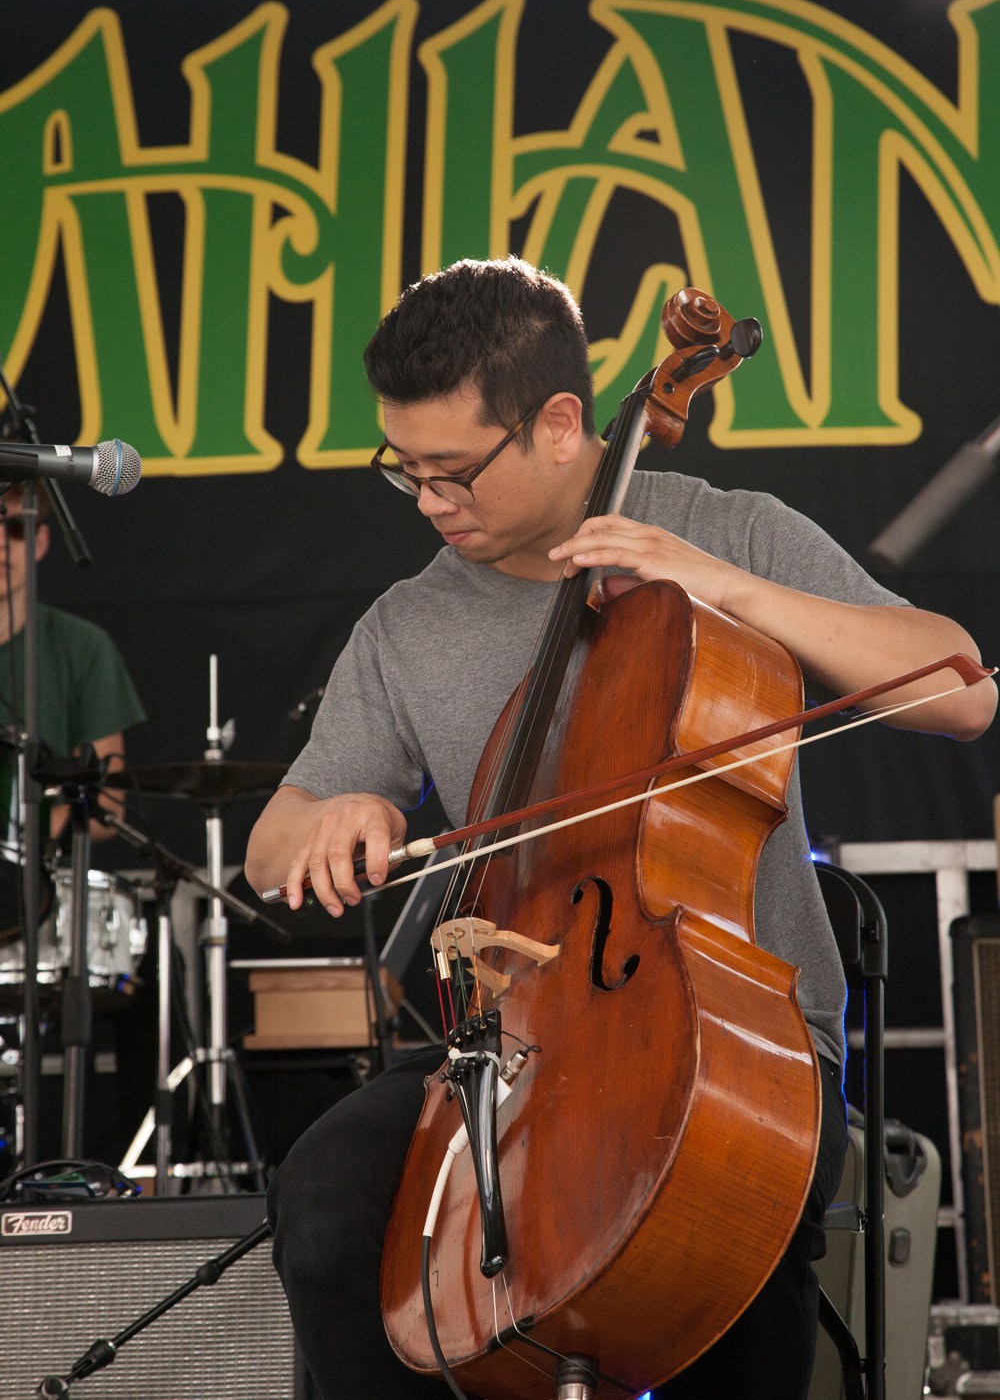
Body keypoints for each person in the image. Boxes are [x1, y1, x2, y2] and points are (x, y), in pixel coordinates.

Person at [246, 258, 996, 1400]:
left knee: (711, 1269)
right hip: (514, 1052)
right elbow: (272, 837)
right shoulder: (406, 626)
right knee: (328, 1201)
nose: (429, 501)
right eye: (405, 473)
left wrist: (716, 583)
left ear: (559, 425)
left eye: (452, 472)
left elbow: (960, 690)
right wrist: (328, 811)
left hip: (748, 1051)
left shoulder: (723, 531)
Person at [0, 483, 146, 846]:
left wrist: (12, 839)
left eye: (17, 528)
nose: (1, 542)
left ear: (43, 540)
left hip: (38, 888)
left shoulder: (84, 647)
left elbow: (105, 808)